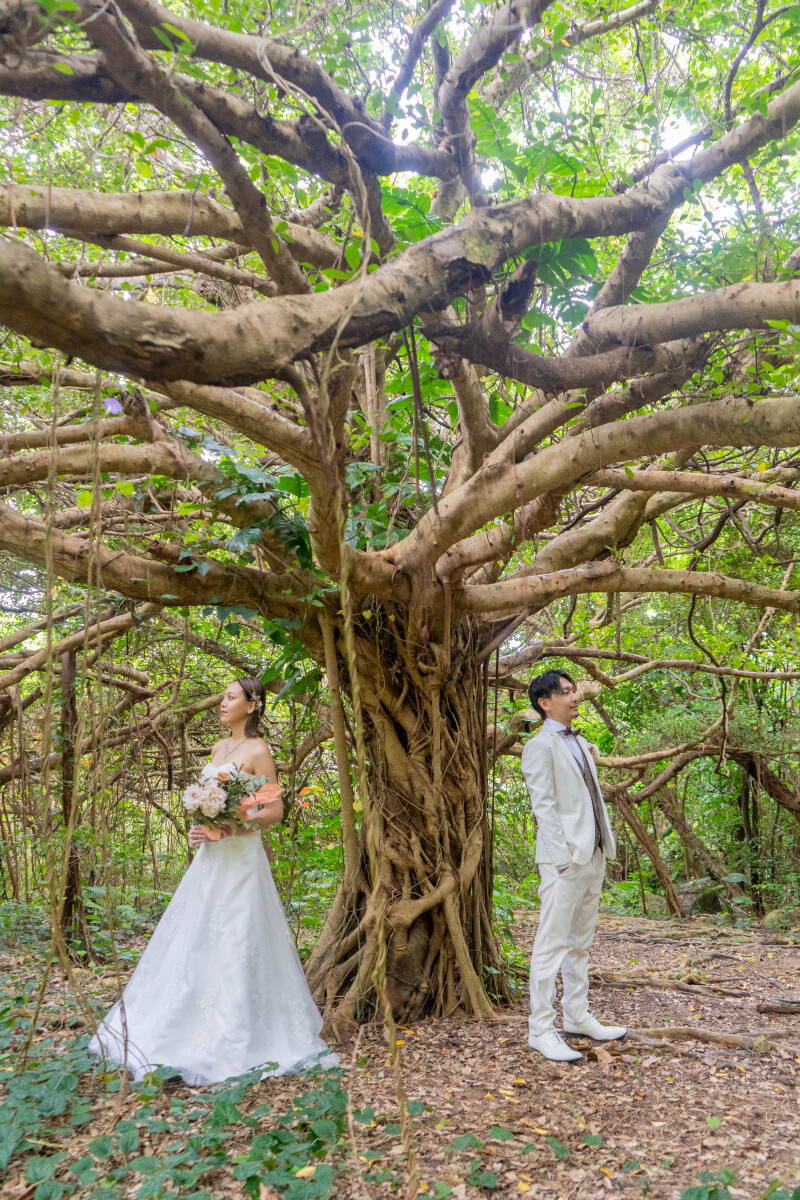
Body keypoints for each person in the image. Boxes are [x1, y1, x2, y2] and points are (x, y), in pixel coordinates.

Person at [90, 675, 339, 1085]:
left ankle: (237, 1035)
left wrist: (230, 826)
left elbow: (273, 810)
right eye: (223, 697)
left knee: (238, 938)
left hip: (242, 861)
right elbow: (211, 805)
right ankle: (183, 1026)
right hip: (210, 860)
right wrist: (202, 827)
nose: (222, 703)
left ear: (251, 705)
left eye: (231, 697)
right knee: (196, 936)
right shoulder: (218, 749)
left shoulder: (258, 750)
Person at [521, 669, 627, 1062]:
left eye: (574, 690)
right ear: (545, 703)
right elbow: (544, 808)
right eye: (565, 692)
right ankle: (540, 1029)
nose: (574, 696)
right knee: (552, 945)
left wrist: (596, 851)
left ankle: (577, 1016)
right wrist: (562, 860)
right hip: (562, 861)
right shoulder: (539, 747)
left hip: (594, 855)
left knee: (580, 943)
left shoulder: (580, 742)